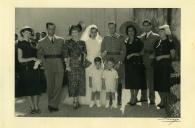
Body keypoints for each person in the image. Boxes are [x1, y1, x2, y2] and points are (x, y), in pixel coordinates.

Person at [37, 22, 65, 113]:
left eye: (53, 29)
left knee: (58, 86)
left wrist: (66, 64)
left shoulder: (61, 40)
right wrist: (44, 65)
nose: (52, 31)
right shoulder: (41, 42)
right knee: (50, 86)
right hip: (48, 65)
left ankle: (53, 104)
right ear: (47, 29)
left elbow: (64, 54)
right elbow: (39, 55)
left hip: (59, 65)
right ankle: (51, 103)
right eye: (50, 29)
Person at [17, 26, 42, 114]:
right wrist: (32, 58)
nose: (28, 33)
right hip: (26, 69)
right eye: (26, 32)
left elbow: (37, 55)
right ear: (22, 33)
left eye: (29, 32)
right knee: (28, 90)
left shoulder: (32, 43)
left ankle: (36, 106)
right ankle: (32, 107)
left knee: (35, 89)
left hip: (35, 68)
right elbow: (20, 59)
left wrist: (39, 60)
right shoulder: (20, 44)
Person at [101, 21, 126, 105]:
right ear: (108, 28)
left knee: (118, 80)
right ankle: (110, 99)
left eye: (113, 27)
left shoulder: (120, 38)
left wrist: (119, 62)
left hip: (117, 61)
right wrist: (105, 61)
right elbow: (102, 51)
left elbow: (123, 51)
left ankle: (119, 99)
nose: (111, 29)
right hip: (108, 62)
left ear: (115, 28)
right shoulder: (105, 38)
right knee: (109, 80)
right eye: (110, 27)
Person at [63, 25, 88, 109]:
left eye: (76, 32)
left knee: (79, 83)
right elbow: (66, 55)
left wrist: (83, 56)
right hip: (72, 65)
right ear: (70, 33)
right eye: (73, 32)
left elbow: (85, 53)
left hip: (80, 65)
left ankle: (77, 100)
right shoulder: (67, 42)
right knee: (72, 83)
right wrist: (67, 66)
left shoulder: (82, 42)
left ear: (79, 33)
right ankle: (74, 101)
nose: (74, 34)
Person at [153, 25, 175, 108]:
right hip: (157, 66)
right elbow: (155, 53)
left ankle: (164, 102)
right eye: (159, 31)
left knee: (164, 85)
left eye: (162, 31)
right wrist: (153, 56)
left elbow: (173, 55)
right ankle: (162, 101)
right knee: (158, 84)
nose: (160, 33)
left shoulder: (170, 42)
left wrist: (162, 56)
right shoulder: (157, 42)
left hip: (165, 66)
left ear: (166, 32)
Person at [80, 24, 103, 105]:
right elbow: (83, 53)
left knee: (98, 80)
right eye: (92, 32)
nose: (94, 34)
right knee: (89, 80)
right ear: (89, 33)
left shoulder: (100, 41)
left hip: (98, 62)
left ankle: (98, 100)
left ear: (97, 32)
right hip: (89, 62)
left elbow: (100, 52)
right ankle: (89, 100)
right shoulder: (86, 42)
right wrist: (84, 61)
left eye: (95, 32)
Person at [124, 25, 147, 106]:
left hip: (137, 63)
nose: (131, 32)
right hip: (128, 64)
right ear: (127, 32)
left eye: (132, 30)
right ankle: (132, 97)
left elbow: (142, 52)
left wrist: (133, 54)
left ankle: (135, 97)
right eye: (129, 30)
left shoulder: (138, 40)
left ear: (134, 31)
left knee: (136, 81)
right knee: (130, 81)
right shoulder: (126, 41)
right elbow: (124, 51)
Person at [139, 19, 160, 105]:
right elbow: (139, 48)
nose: (146, 27)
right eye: (144, 25)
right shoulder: (141, 37)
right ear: (143, 27)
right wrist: (140, 52)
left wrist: (154, 55)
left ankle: (152, 98)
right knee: (142, 79)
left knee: (151, 80)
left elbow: (159, 48)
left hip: (151, 60)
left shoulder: (156, 36)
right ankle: (143, 97)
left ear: (151, 26)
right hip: (142, 59)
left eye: (148, 25)